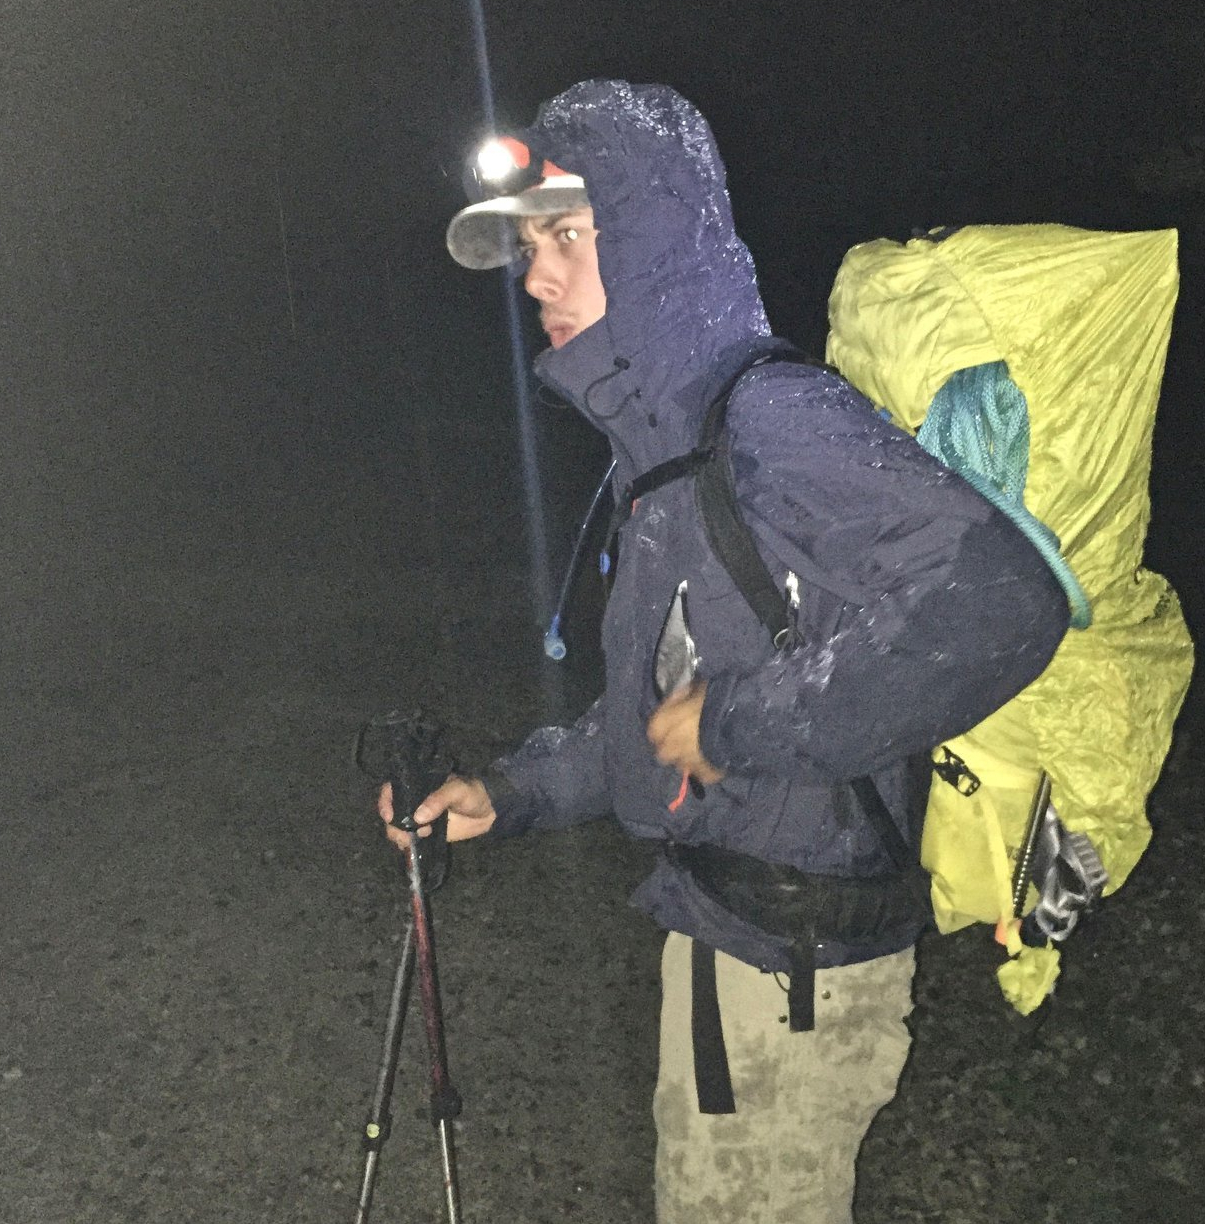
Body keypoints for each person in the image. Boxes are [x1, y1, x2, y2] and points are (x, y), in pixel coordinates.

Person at [380, 80, 1069, 1223]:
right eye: (524, 250)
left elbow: (999, 602)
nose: (534, 277)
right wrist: (510, 793)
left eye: (563, 236)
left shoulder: (770, 419)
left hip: (790, 974)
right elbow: (658, 711)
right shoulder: (661, 459)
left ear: (650, 243)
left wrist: (745, 720)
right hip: (725, 943)